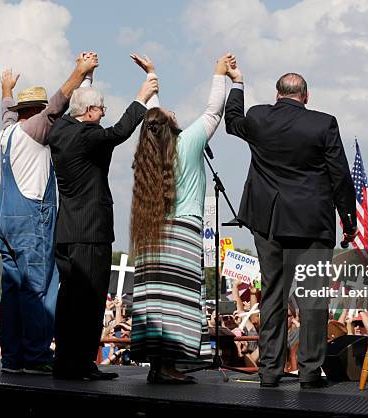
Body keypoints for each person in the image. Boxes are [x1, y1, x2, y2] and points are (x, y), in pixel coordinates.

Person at [224, 66, 357, 389]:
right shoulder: (323, 123)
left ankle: (269, 370)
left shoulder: (258, 117)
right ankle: (310, 371)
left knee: (272, 296)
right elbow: (339, 174)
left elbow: (232, 121)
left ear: (277, 95)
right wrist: (349, 220)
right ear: (306, 97)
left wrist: (237, 83)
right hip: (313, 224)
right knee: (312, 299)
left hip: (269, 223)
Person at [48, 57, 159, 382]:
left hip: (67, 230)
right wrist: (143, 95)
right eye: (101, 108)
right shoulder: (89, 137)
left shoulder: (61, 131)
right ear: (90, 112)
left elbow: (81, 108)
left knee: (68, 302)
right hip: (91, 233)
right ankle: (82, 365)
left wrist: (88, 77)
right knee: (91, 302)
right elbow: (121, 131)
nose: (104, 113)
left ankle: (65, 363)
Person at [129, 53, 233, 384]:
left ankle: (159, 366)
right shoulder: (187, 143)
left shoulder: (151, 153)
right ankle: (170, 367)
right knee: (178, 302)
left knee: (158, 303)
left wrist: (152, 74)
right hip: (183, 235)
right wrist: (220, 74)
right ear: (172, 126)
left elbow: (153, 116)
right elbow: (214, 111)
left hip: (154, 235)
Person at [0, 52, 98, 375]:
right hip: (31, 218)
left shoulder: (8, 131)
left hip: (4, 217)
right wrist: (79, 73)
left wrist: (6, 90)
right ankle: (36, 355)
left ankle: (13, 358)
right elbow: (58, 104)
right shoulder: (35, 128)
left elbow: (5, 112)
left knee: (12, 289)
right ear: (35, 112)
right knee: (38, 287)